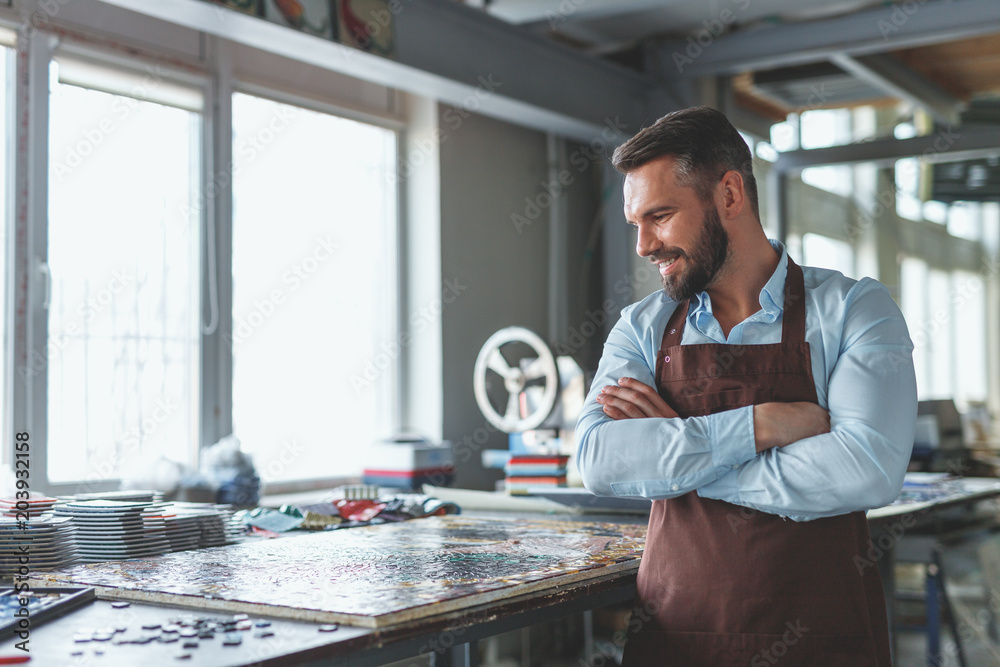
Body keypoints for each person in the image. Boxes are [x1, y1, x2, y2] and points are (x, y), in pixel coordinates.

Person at [575, 106, 916, 666]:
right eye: (635, 223)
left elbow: (869, 471)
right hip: (675, 639)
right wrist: (760, 426)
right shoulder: (642, 326)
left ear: (730, 195)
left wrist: (678, 456)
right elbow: (599, 462)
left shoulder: (855, 309)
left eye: (659, 216)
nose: (643, 245)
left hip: (819, 644)